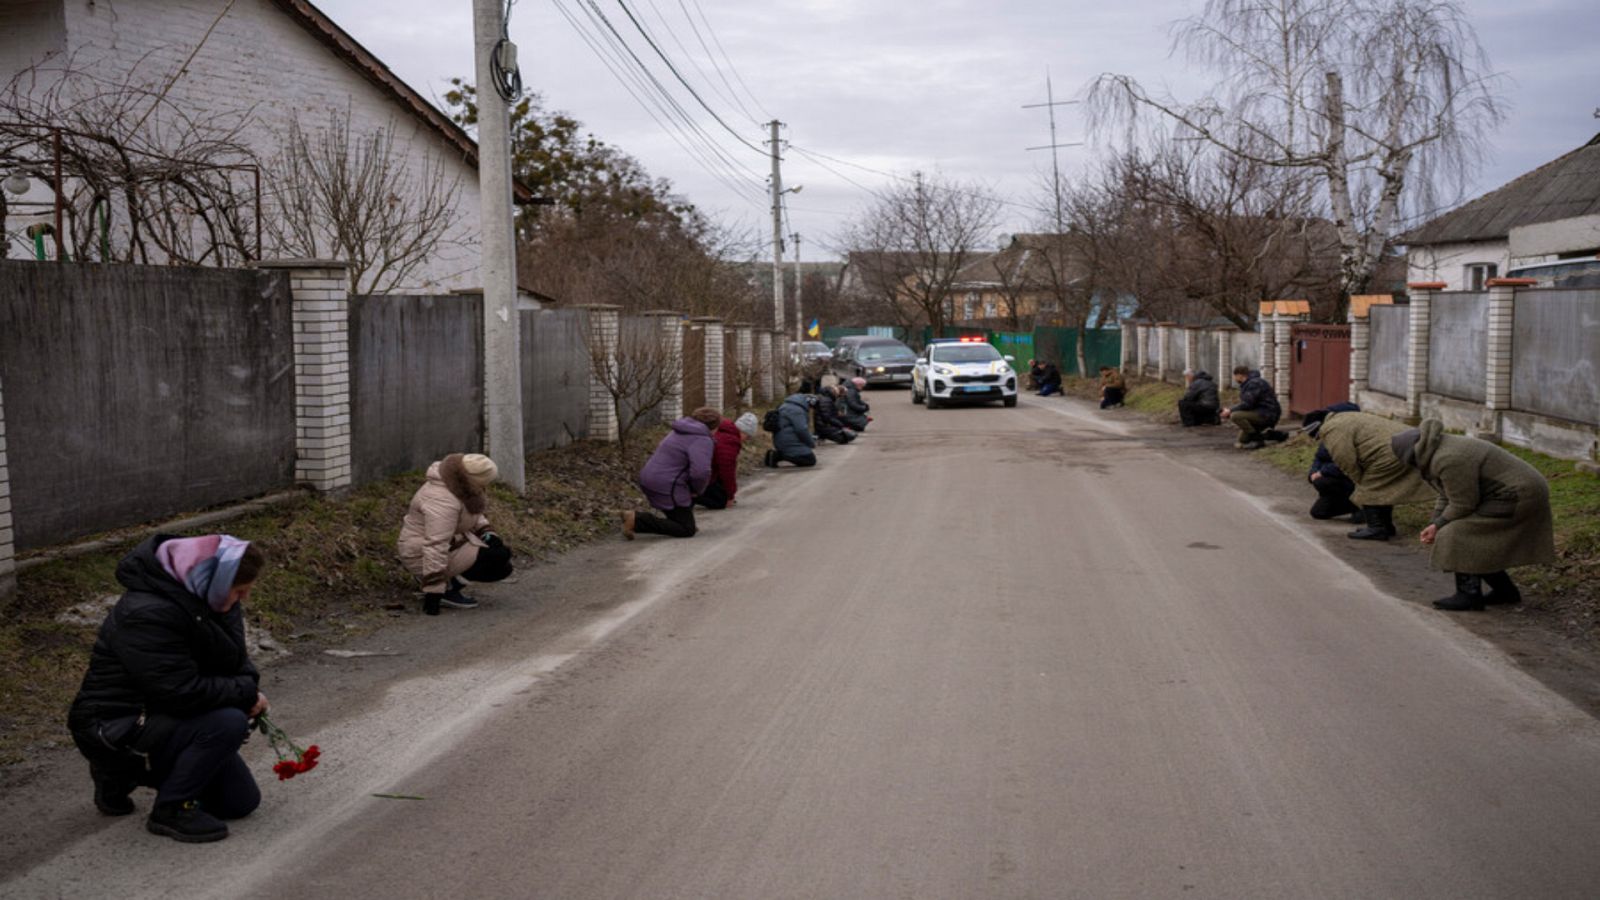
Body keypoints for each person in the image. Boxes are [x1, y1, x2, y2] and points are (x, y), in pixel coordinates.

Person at [67, 534, 269, 843]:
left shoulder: (214, 599)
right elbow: (180, 692)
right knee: (227, 722)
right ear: (214, 579)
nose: (243, 599)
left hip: (167, 714)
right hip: (117, 723)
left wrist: (247, 692)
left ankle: (129, 776)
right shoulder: (147, 613)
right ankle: (170, 808)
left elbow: (235, 663)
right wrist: (242, 695)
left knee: (239, 802)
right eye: (240, 591)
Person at [1393, 419, 1556, 611]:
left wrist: (1440, 526)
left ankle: (1469, 596)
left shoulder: (1447, 458)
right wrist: (1435, 523)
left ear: (1411, 457)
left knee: (1458, 533)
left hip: (1518, 495)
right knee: (1474, 537)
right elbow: (1447, 495)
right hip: (1505, 492)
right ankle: (1505, 592)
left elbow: (1463, 503)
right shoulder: (1435, 449)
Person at [397, 453, 514, 615]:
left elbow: (473, 514)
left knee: (501, 560)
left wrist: (488, 533)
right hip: (420, 553)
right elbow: (435, 544)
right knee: (494, 560)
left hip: (452, 543)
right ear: (475, 480)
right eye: (486, 482)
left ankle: (447, 581)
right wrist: (433, 590)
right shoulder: (442, 500)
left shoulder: (459, 485)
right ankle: (445, 589)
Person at [1312, 409, 1438, 541]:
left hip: (1388, 452)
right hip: (1406, 443)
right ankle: (1386, 526)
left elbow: (1344, 458)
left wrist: (1359, 480)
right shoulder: (1345, 416)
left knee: (1370, 488)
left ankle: (1376, 528)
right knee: (1382, 489)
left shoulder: (1332, 428)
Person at [623, 407, 718, 539]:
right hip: (666, 484)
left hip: (650, 477)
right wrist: (698, 490)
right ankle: (638, 520)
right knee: (686, 529)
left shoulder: (680, 430)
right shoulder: (702, 439)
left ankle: (682, 519)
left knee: (688, 491)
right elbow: (701, 473)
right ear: (714, 428)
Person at [1298, 403, 1362, 520]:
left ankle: (1361, 505)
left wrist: (1323, 472)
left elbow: (1347, 462)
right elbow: (1319, 457)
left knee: (1322, 481)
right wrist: (1313, 472)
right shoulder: (1328, 434)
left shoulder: (1351, 435)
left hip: (1351, 478)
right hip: (1335, 476)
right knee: (1318, 513)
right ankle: (1352, 505)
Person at [696, 411, 758, 510]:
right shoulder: (730, 442)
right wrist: (730, 495)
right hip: (700, 475)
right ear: (743, 431)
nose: (746, 440)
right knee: (720, 502)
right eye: (748, 436)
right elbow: (727, 471)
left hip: (704, 471)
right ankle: (692, 496)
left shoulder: (723, 431)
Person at [1220, 366, 1286, 448]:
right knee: (1242, 440)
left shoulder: (1253, 384)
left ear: (1240, 375)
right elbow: (1248, 404)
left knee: (1235, 416)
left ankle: (1257, 439)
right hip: (1261, 412)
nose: (1234, 378)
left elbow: (1247, 404)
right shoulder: (1250, 383)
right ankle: (1275, 435)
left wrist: (1230, 411)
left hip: (1266, 414)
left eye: (1235, 376)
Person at [765, 393, 818, 468]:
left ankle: (774, 455)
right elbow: (802, 430)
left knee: (807, 456)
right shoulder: (797, 411)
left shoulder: (787, 405)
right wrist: (811, 443)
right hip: (789, 441)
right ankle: (777, 456)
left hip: (782, 439)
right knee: (809, 460)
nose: (810, 409)